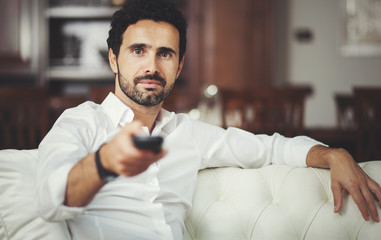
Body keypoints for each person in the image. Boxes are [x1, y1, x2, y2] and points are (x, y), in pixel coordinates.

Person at [35, 0, 381, 239]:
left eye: (165, 54)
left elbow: (270, 148)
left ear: (179, 66)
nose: (152, 66)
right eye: (138, 50)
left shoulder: (189, 133)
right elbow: (52, 198)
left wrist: (335, 154)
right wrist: (105, 162)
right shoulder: (80, 123)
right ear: (114, 59)